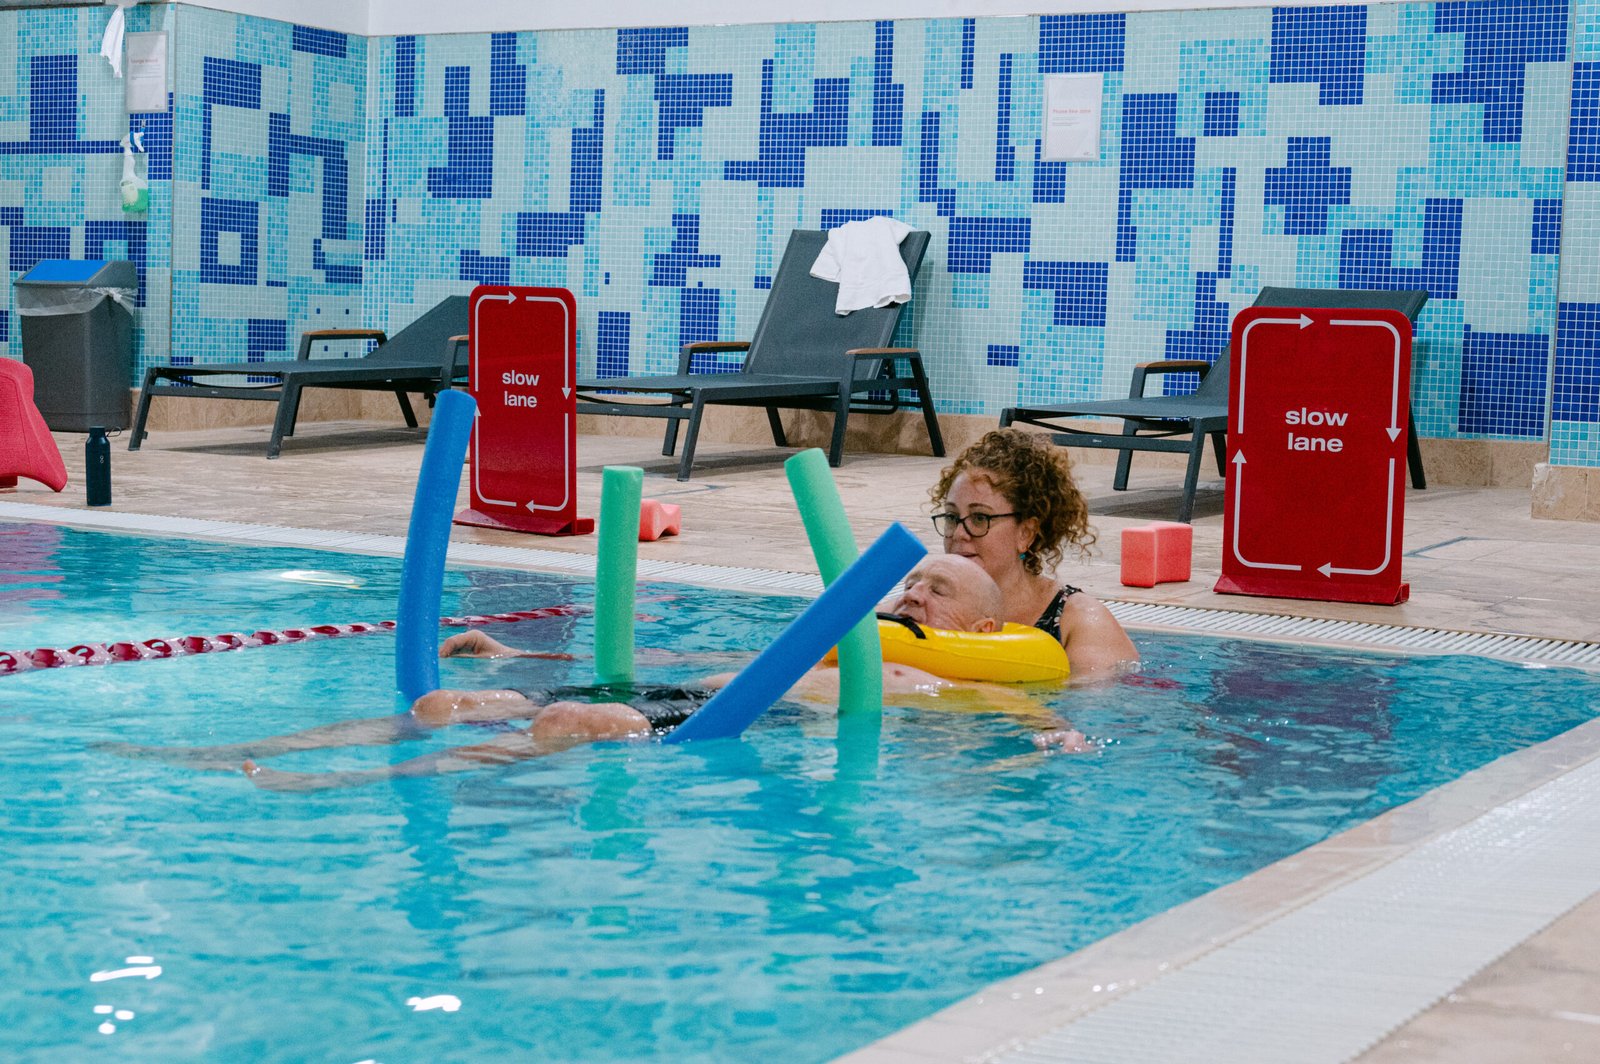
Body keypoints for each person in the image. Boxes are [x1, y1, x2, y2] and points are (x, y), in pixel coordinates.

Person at [100, 557, 1090, 792]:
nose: (914, 592)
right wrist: (519, 653)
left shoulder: (971, 673)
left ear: (987, 620)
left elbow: (1035, 721)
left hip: (758, 725)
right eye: (910, 578)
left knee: (576, 722)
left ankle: (346, 782)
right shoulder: (842, 636)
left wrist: (1057, 739)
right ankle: (232, 748)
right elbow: (676, 661)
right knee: (459, 699)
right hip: (706, 690)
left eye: (938, 587)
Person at [930, 427, 1139, 679]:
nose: (959, 534)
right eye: (952, 517)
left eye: (979, 517)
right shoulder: (925, 602)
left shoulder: (1080, 624)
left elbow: (1091, 707)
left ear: (1026, 533)